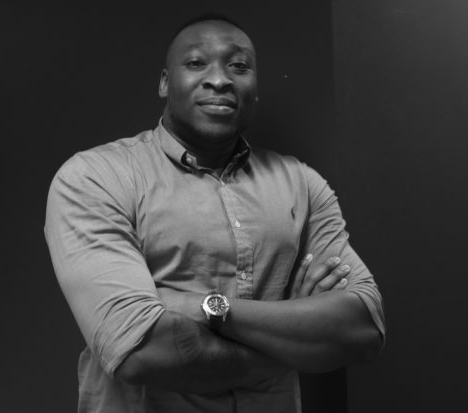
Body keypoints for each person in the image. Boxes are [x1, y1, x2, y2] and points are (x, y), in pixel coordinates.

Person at [45, 13, 385, 413]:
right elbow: (140, 352)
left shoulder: (302, 184)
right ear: (165, 82)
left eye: (238, 66)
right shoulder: (96, 177)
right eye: (196, 63)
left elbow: (362, 328)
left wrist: (203, 306)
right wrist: (295, 340)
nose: (220, 79)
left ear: (255, 87)